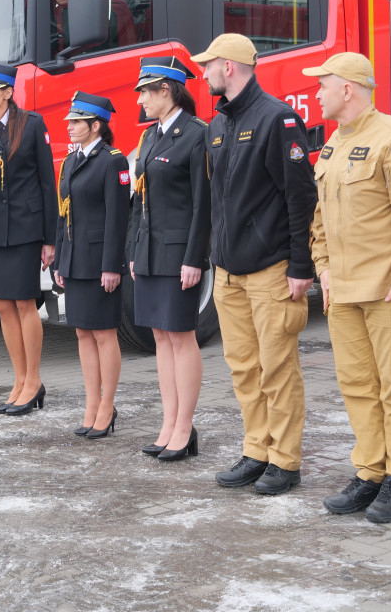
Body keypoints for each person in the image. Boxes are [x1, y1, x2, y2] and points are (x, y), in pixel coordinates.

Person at [306, 52, 391, 523]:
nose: (316, 94)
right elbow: (321, 216)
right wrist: (323, 267)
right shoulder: (333, 144)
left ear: (347, 89)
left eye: (322, 85)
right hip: (343, 292)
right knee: (359, 387)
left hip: (389, 294)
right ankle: (370, 472)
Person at [193, 33, 316, 495]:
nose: (204, 73)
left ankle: (285, 460)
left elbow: (301, 197)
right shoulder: (217, 125)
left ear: (228, 66)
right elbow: (214, 201)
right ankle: (256, 450)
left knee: (277, 368)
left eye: (209, 65)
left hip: (270, 271)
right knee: (244, 368)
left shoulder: (277, 119)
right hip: (229, 274)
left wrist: (300, 266)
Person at [0, 62, 58, 416]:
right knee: (1, 303)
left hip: (25, 227)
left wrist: (50, 238)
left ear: (7, 92)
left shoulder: (31, 124)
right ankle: (19, 380)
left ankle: (33, 380)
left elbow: (47, 182)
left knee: (24, 302)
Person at [128, 57, 210, 462]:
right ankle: (169, 421)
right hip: (149, 253)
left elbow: (203, 204)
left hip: (179, 255)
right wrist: (133, 250)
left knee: (180, 336)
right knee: (160, 337)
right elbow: (138, 200)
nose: (140, 100)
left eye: (146, 91)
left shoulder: (196, 134)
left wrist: (195, 258)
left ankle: (185, 426)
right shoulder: (149, 137)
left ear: (167, 90)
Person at [54, 92, 130, 439]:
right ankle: (91, 404)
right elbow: (64, 213)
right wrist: (60, 259)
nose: (69, 127)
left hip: (100, 261)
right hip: (75, 259)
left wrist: (111, 265)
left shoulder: (112, 161)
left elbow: (118, 217)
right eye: (70, 121)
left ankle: (107, 406)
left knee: (103, 333)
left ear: (96, 125)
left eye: (76, 122)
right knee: (82, 332)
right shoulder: (72, 161)